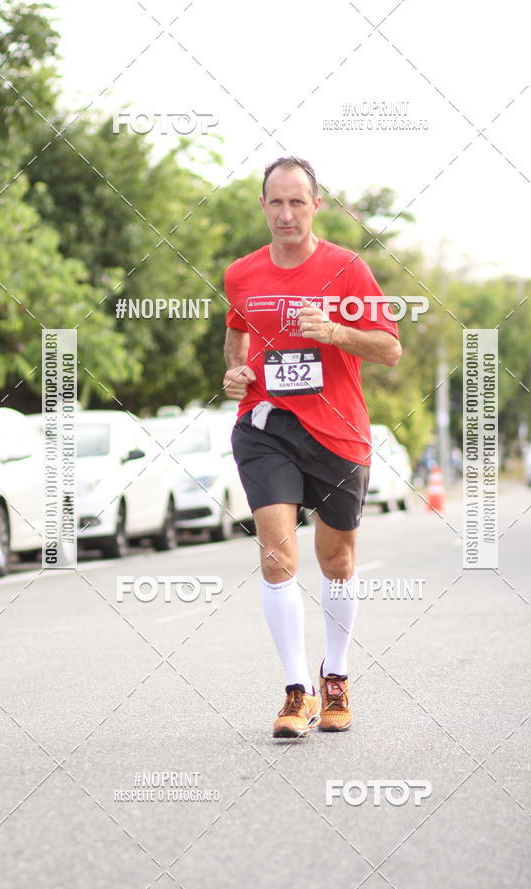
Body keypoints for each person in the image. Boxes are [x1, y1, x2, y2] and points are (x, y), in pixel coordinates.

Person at [222, 156, 401, 738]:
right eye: (276, 201)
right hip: (266, 427)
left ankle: (337, 677)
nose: (286, 212)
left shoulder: (347, 269)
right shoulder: (243, 274)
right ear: (263, 206)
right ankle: (296, 691)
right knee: (277, 557)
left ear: (316, 206)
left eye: (298, 201)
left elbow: (389, 349)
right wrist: (236, 372)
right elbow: (237, 329)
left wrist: (336, 333)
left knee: (337, 561)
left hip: (336, 432)